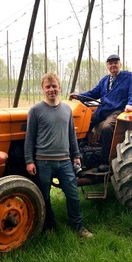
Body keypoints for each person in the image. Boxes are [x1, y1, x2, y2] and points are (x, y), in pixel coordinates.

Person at [24, 72, 93, 238]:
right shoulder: (35, 110)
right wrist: (29, 160)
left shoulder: (66, 110)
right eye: (48, 87)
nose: (51, 90)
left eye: (54, 86)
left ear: (59, 87)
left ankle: (78, 226)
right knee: (44, 197)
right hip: (43, 162)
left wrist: (76, 155)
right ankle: (49, 226)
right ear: (43, 89)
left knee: (73, 196)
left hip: (64, 162)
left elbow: (71, 135)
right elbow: (30, 137)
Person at [70, 54, 132, 172]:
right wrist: (79, 96)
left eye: (115, 63)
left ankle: (105, 161)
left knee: (107, 127)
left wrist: (131, 104)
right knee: (85, 121)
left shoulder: (128, 78)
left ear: (120, 64)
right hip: (103, 109)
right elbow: (94, 93)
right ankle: (79, 152)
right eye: (110, 63)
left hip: (118, 110)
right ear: (107, 66)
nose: (113, 65)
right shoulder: (105, 80)